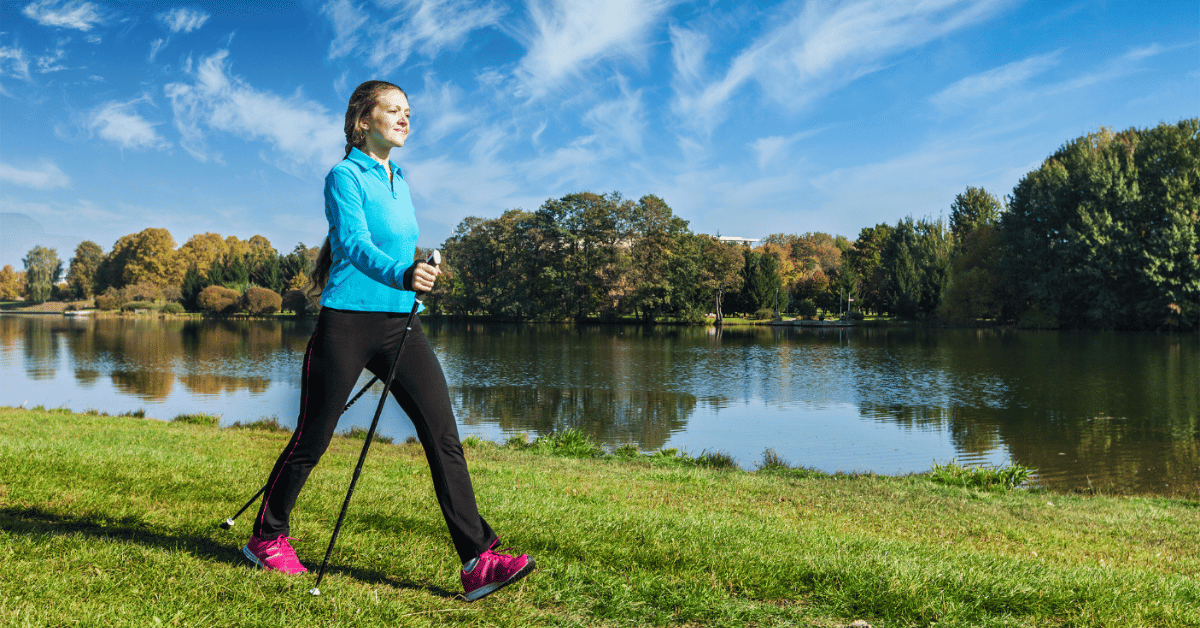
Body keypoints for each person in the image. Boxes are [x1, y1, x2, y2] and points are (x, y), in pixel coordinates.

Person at [242, 80, 534, 602]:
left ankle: (477, 560)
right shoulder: (344, 176)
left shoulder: (399, 177)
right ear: (362, 120)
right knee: (313, 438)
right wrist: (403, 273)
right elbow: (352, 244)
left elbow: (400, 251)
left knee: (442, 434)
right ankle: (266, 537)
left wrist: (419, 274)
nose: (405, 119)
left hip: (402, 325)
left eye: (408, 112)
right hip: (347, 324)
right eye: (393, 110)